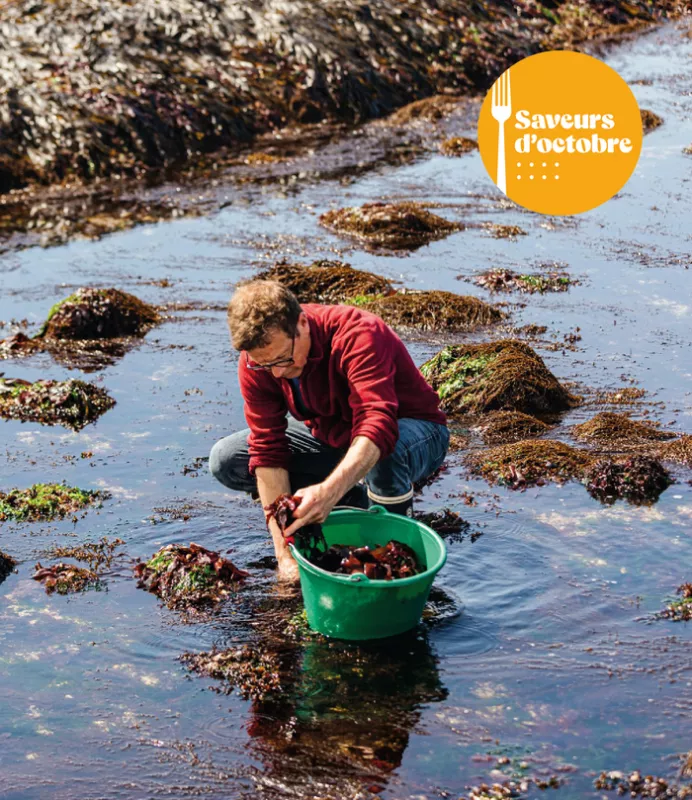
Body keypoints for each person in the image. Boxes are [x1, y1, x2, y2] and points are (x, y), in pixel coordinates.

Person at [209, 280, 449, 582]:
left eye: (284, 358)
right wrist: (284, 555)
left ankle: (390, 539)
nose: (278, 373)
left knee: (384, 456)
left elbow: (377, 424)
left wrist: (328, 492)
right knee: (227, 459)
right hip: (333, 436)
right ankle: (357, 499)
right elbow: (268, 449)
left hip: (414, 431)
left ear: (302, 323)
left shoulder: (358, 333)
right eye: (265, 365)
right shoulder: (258, 364)